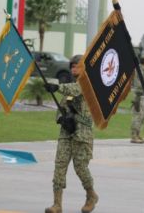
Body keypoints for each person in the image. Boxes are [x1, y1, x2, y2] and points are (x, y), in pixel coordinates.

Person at [44, 55, 98, 213]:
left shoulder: (87, 84)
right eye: (72, 66)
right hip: (67, 134)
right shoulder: (71, 87)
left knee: (80, 167)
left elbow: (75, 90)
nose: (74, 69)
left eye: (77, 66)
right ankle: (57, 204)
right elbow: (62, 107)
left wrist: (57, 87)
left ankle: (91, 195)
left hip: (83, 134)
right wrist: (62, 119)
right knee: (59, 166)